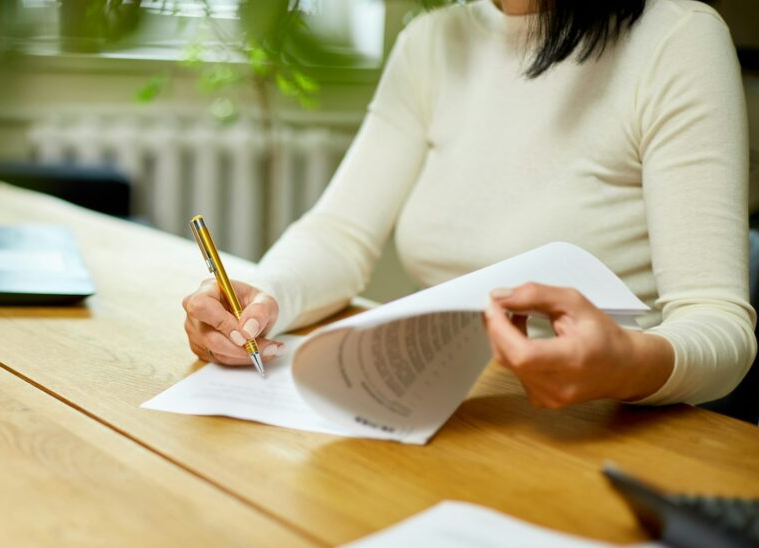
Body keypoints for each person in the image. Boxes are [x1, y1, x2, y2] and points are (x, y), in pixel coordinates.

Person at [182, 0, 757, 408]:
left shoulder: (677, 38)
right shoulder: (433, 40)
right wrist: (264, 299)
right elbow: (339, 234)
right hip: (438, 404)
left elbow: (719, 324)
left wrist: (631, 363)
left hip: (604, 422)